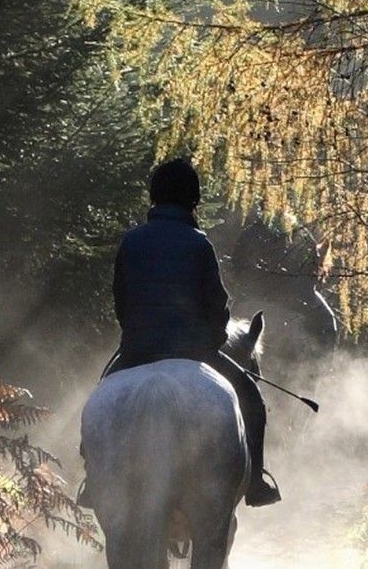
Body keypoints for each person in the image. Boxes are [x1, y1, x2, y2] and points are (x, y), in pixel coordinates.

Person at [103, 155, 281, 507]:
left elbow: (121, 300)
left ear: (153, 196)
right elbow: (217, 305)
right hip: (193, 351)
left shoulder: (131, 241)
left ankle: (95, 481)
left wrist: (137, 333)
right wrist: (212, 340)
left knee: (100, 396)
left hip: (138, 349)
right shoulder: (199, 243)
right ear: (193, 200)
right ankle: (256, 482)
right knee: (253, 401)